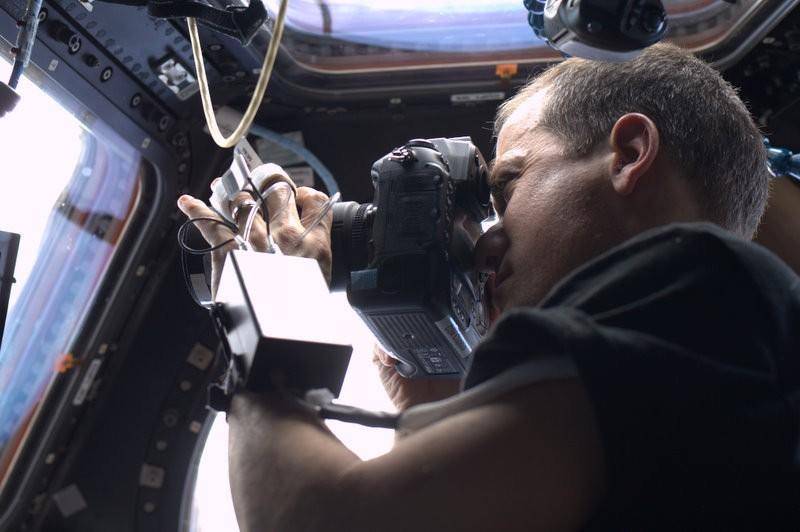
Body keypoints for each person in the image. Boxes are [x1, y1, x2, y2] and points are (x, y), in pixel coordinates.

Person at [177, 43, 800, 531]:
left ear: (629, 153)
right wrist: (436, 401)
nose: (486, 246)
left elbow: (322, 520)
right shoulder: (714, 359)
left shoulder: (711, 285)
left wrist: (269, 298)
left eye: (507, 189)